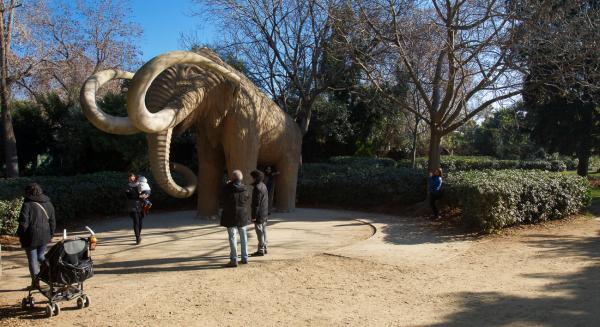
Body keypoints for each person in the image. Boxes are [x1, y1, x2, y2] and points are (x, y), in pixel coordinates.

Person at [17, 183, 56, 289]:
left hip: (30, 237)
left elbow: (23, 223)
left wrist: (19, 234)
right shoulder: (48, 203)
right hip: (45, 235)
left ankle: (35, 283)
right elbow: (52, 221)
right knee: (40, 256)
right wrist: (51, 234)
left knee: (33, 260)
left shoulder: (27, 204)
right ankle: (52, 272)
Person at [220, 170, 251, 267]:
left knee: (232, 237)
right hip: (242, 215)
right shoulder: (245, 188)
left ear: (232, 178)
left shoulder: (226, 188)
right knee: (243, 237)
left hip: (230, 216)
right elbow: (247, 198)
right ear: (240, 178)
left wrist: (226, 185)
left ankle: (234, 260)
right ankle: (245, 257)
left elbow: (221, 198)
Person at [250, 170, 269, 256]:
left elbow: (256, 204)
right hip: (264, 212)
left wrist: (253, 216)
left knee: (259, 232)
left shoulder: (257, 188)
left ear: (255, 178)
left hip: (259, 214)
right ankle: (265, 247)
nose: (252, 179)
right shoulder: (263, 185)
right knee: (264, 230)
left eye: (252, 177)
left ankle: (261, 249)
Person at [125, 173, 144, 245]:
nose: (131, 178)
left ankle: (138, 234)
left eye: (132, 177)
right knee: (136, 221)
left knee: (140, 222)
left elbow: (146, 191)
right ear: (128, 179)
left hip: (141, 206)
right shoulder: (127, 187)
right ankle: (137, 237)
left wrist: (145, 195)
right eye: (130, 177)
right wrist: (139, 196)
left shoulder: (140, 184)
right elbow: (129, 196)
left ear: (135, 177)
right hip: (132, 206)